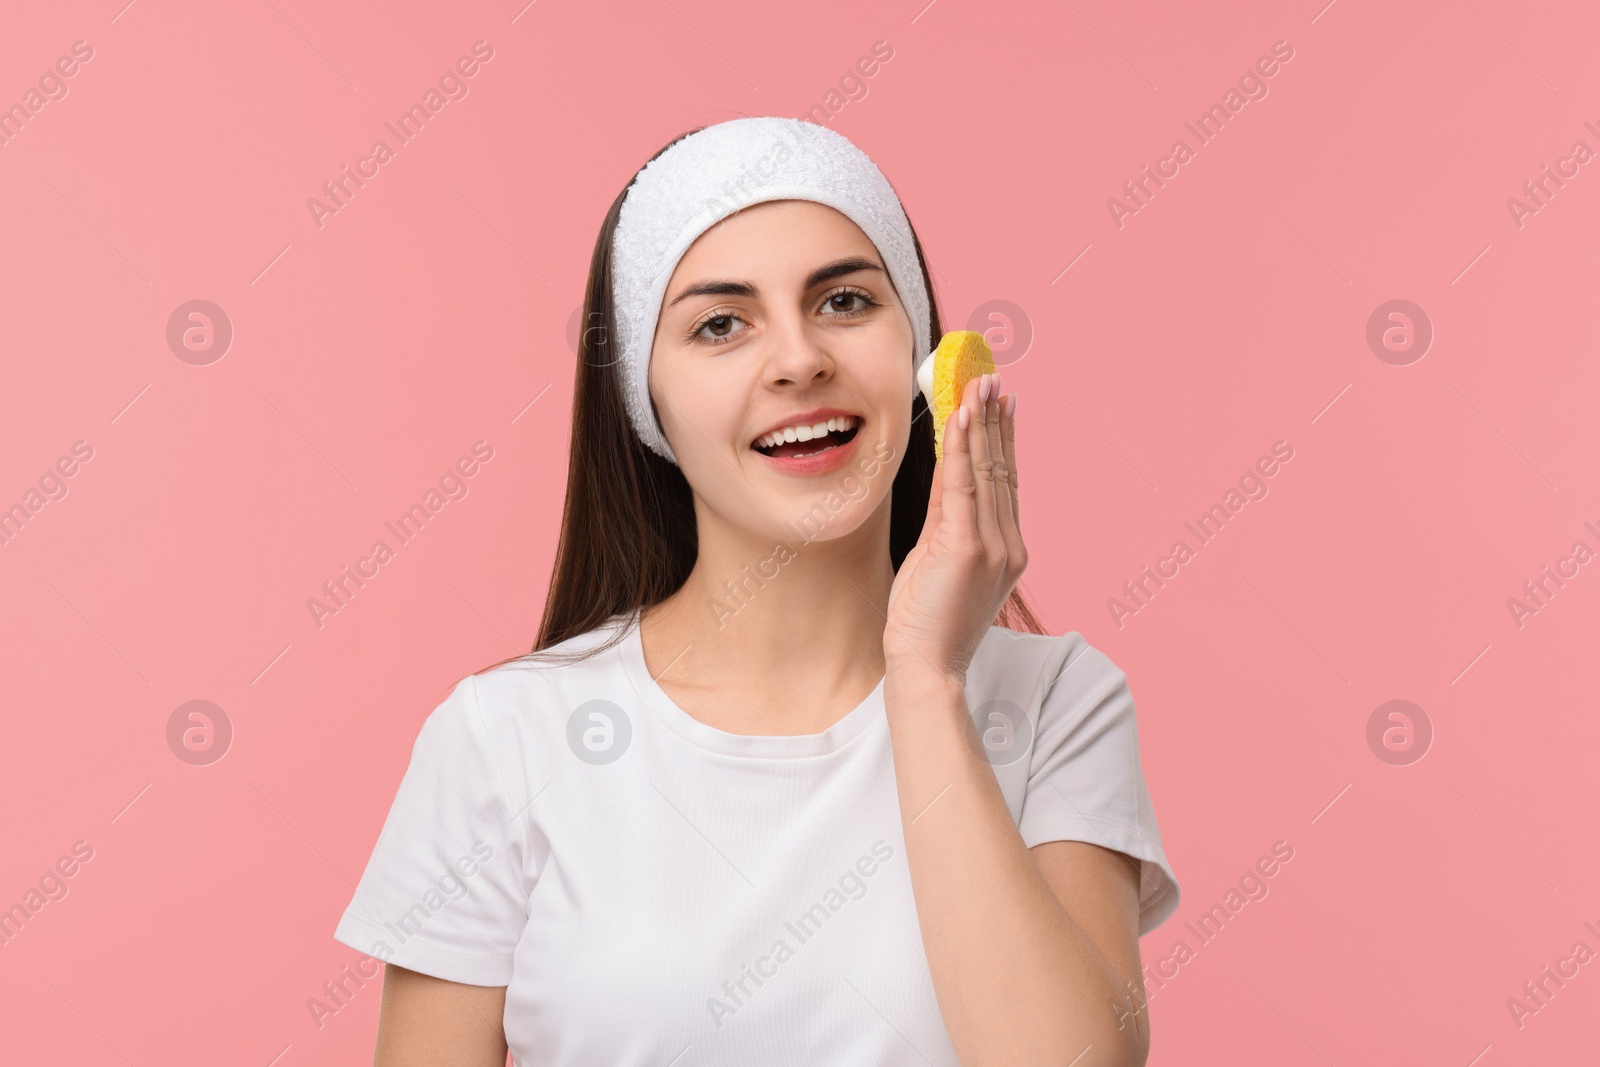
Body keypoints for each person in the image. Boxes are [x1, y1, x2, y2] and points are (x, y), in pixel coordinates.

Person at [334, 115, 1180, 1066]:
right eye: (720, 324)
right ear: (644, 400)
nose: (799, 360)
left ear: (920, 353)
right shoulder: (503, 739)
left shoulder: (1058, 702)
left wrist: (925, 677)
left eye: (848, 302)